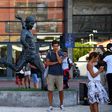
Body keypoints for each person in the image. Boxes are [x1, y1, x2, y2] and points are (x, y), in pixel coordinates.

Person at [0, 15, 45, 89]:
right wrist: (27, 46)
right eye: (31, 23)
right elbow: (22, 40)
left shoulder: (27, 29)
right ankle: (5, 62)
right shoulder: (24, 31)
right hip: (26, 54)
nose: (32, 25)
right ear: (28, 23)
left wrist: (21, 19)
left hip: (33, 54)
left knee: (43, 70)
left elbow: (24, 25)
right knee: (17, 69)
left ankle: (44, 86)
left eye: (33, 24)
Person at [46, 40, 64, 111]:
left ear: (58, 46)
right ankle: (50, 106)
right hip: (51, 74)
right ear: (52, 46)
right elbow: (47, 63)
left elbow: (60, 61)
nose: (56, 47)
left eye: (57, 46)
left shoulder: (61, 53)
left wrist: (56, 53)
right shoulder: (49, 53)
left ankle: (61, 105)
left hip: (60, 74)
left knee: (61, 90)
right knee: (50, 90)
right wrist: (56, 62)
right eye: (54, 46)